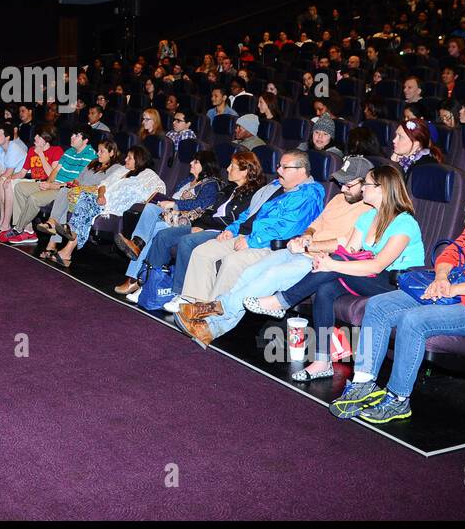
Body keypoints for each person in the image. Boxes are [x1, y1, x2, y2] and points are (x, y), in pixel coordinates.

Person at [331, 165, 465, 424]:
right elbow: (451, 252)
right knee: (378, 305)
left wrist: (452, 288)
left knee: (415, 320)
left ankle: (399, 399)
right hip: (450, 292)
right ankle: (363, 383)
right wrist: (442, 276)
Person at [205, 166, 425, 366]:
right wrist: (321, 258)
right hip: (364, 275)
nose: (363, 188)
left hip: (395, 284)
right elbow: (349, 250)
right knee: (325, 289)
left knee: (332, 264)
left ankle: (282, 300)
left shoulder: (404, 222)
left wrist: (329, 262)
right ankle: (322, 361)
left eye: (366, 184)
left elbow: (377, 266)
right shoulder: (368, 216)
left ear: (381, 189)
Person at [176, 156, 374, 343]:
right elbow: (316, 223)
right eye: (341, 183)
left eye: (349, 184)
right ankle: (209, 328)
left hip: (322, 261)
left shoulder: (369, 210)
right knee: (250, 273)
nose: (343, 188)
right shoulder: (339, 199)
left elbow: (346, 244)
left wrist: (310, 244)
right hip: (301, 249)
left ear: (365, 185)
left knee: (271, 275)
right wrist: (307, 234)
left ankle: (214, 310)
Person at [165, 149, 325, 312]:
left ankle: (212, 313)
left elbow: (286, 229)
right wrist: (232, 229)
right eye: (279, 166)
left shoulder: (308, 195)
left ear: (301, 171)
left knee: (232, 262)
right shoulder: (274, 186)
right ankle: (193, 303)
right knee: (202, 252)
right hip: (247, 234)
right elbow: (249, 213)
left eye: (285, 167)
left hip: (269, 245)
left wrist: (251, 241)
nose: (278, 171)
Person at [115, 151, 260, 297]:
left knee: (159, 229)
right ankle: (148, 281)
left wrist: (177, 206)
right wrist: (199, 223)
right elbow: (210, 211)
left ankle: (156, 285)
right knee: (158, 226)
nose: (227, 169)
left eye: (196, 162)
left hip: (197, 222)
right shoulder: (226, 188)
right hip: (190, 220)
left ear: (245, 171)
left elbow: (209, 209)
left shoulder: (219, 186)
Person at [3, 126, 98, 244]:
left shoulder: (90, 156)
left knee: (34, 198)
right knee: (19, 187)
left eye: (76, 135)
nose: (71, 137)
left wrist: (52, 186)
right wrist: (48, 183)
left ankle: (18, 228)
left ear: (85, 140)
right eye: (72, 134)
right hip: (53, 184)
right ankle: (27, 229)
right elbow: (56, 171)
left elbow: (76, 183)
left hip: (65, 190)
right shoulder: (70, 151)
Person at [0, 128, 63, 239]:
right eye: (35, 135)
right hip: (34, 182)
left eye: (38, 136)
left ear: (46, 140)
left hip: (49, 183)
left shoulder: (56, 150)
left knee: (19, 187)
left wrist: (41, 155)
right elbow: (22, 173)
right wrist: (10, 178)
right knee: (11, 183)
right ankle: (24, 226)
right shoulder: (31, 150)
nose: (35, 138)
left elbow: (52, 175)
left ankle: (22, 227)